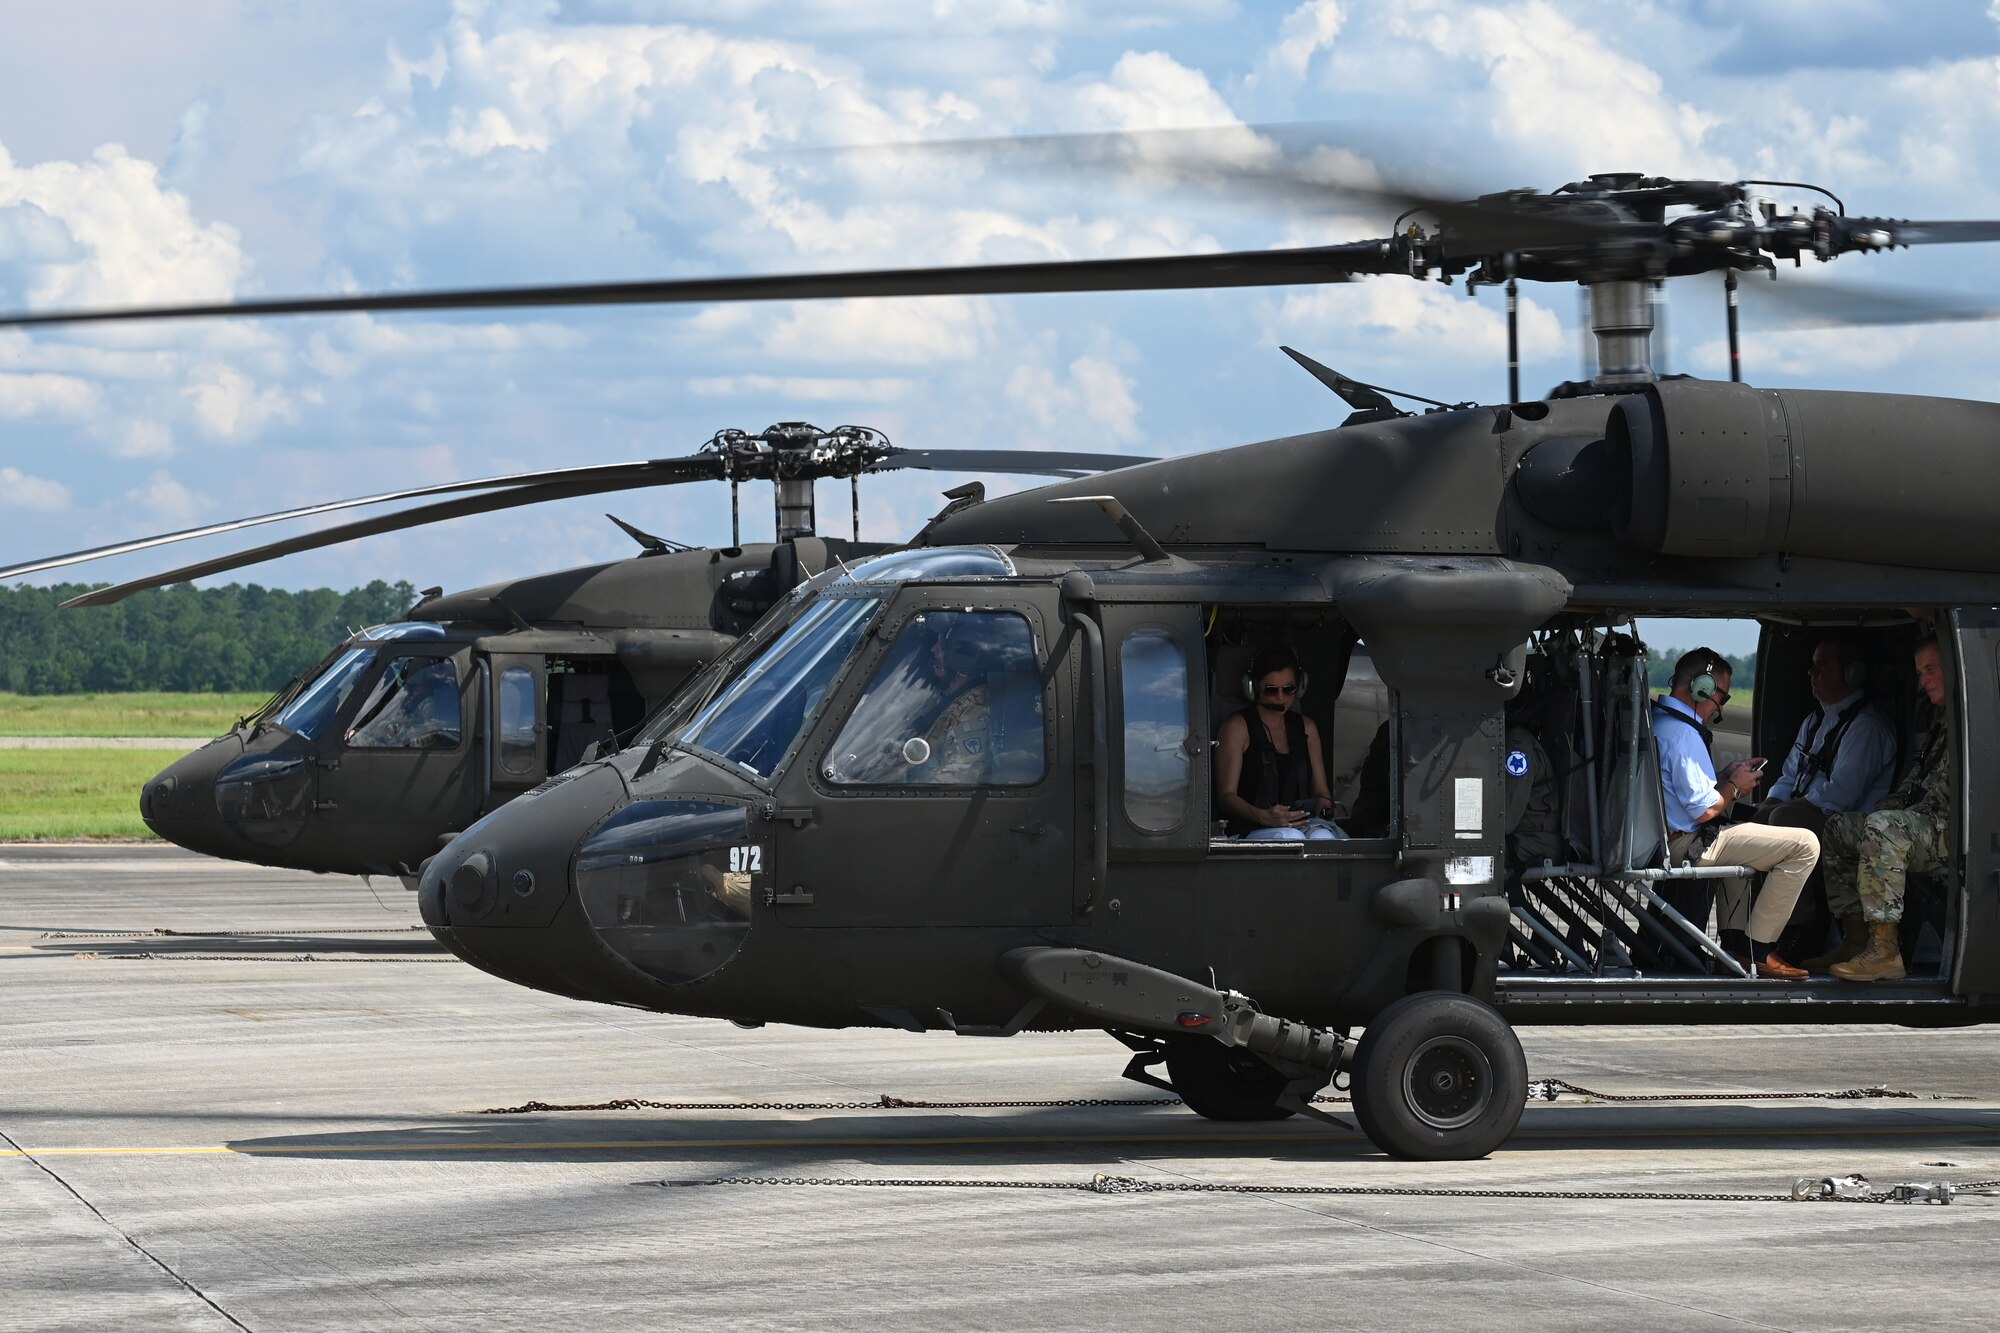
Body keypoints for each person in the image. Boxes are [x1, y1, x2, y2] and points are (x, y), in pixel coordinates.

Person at [1652, 648, 1818, 979]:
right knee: (1805, 845)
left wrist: (1725, 778)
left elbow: (1685, 794)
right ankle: (1759, 949)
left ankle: (1736, 948)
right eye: (1721, 698)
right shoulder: (1683, 733)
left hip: (1667, 838)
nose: (1721, 709)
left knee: (1742, 828)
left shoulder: (1661, 722)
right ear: (1701, 688)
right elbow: (1704, 810)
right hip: (1685, 843)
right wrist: (1736, 788)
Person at [1815, 635, 1952, 982]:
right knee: (1839, 827)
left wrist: (1885, 819)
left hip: (1957, 828)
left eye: (1932, 669)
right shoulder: (1941, 723)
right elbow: (1915, 783)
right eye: (1921, 672)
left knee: (1885, 828)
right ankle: (1856, 939)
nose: (1925, 680)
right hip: (1926, 823)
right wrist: (1882, 810)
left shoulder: (1975, 719)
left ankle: (1885, 950)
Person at [1215, 646, 1343, 840]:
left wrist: (1325, 807)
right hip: (1252, 828)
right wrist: (1264, 816)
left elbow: (1321, 791)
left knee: (1324, 837)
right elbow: (1226, 796)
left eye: (1288, 689)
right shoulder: (1237, 727)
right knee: (1289, 837)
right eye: (1271, 690)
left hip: (1302, 824)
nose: (1281, 698)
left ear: (1299, 687)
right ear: (1254, 687)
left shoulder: (1306, 727)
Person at [345, 660, 460, 749]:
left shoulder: (429, 706)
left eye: (417, 687)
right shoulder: (408, 702)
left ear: (427, 686)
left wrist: (365, 736)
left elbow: (425, 734)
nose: (412, 691)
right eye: (411, 686)